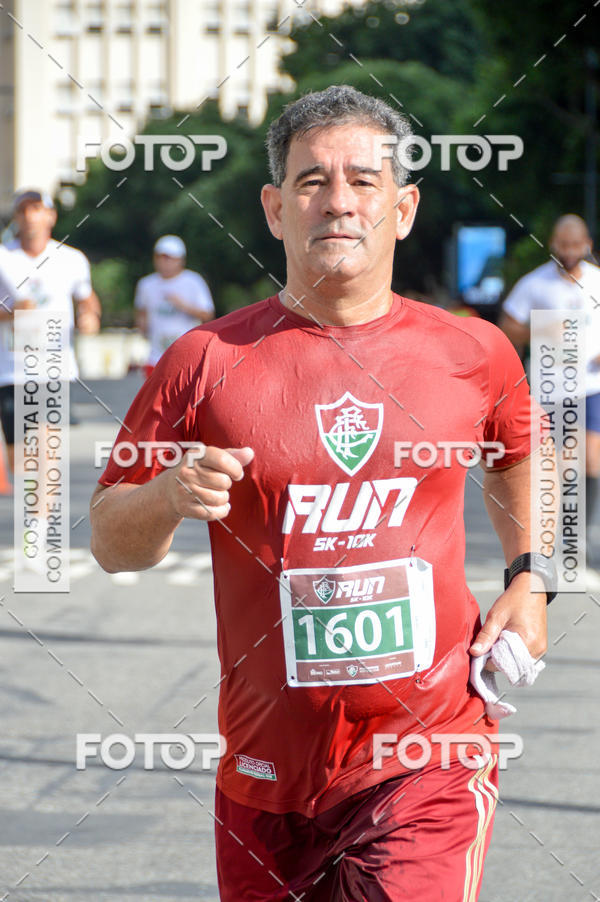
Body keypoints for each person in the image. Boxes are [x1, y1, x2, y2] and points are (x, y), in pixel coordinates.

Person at [91, 86, 552, 901]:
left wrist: (530, 574)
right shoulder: (204, 359)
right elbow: (109, 540)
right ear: (274, 208)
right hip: (265, 775)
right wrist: (167, 497)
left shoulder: (471, 351)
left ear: (403, 208)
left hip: (428, 755)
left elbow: (519, 456)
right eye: (311, 182)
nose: (338, 202)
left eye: (364, 181)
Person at [499, 215, 600, 557]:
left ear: (586, 244)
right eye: (563, 245)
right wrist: (541, 333)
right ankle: (552, 533)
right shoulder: (535, 284)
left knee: (591, 458)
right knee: (557, 464)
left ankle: (582, 536)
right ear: (553, 244)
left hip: (590, 384)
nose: (569, 252)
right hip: (550, 388)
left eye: (575, 245)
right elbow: (507, 325)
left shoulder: (597, 281)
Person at [0, 189, 101, 471]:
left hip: (53, 367)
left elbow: (87, 300)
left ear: (51, 216)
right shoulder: (3, 258)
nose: (30, 216)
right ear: (16, 217)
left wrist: (89, 317)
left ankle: (41, 515)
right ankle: (32, 510)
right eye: (23, 210)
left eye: (36, 209)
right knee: (19, 461)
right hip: (12, 369)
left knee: (46, 448)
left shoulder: (71, 259)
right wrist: (11, 313)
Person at [134, 234, 215, 378]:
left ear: (180, 260)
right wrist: (142, 328)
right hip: (155, 356)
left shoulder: (193, 281)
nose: (164, 262)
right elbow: (142, 313)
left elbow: (207, 314)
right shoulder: (146, 284)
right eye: (161, 257)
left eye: (169, 258)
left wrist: (182, 305)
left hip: (186, 356)